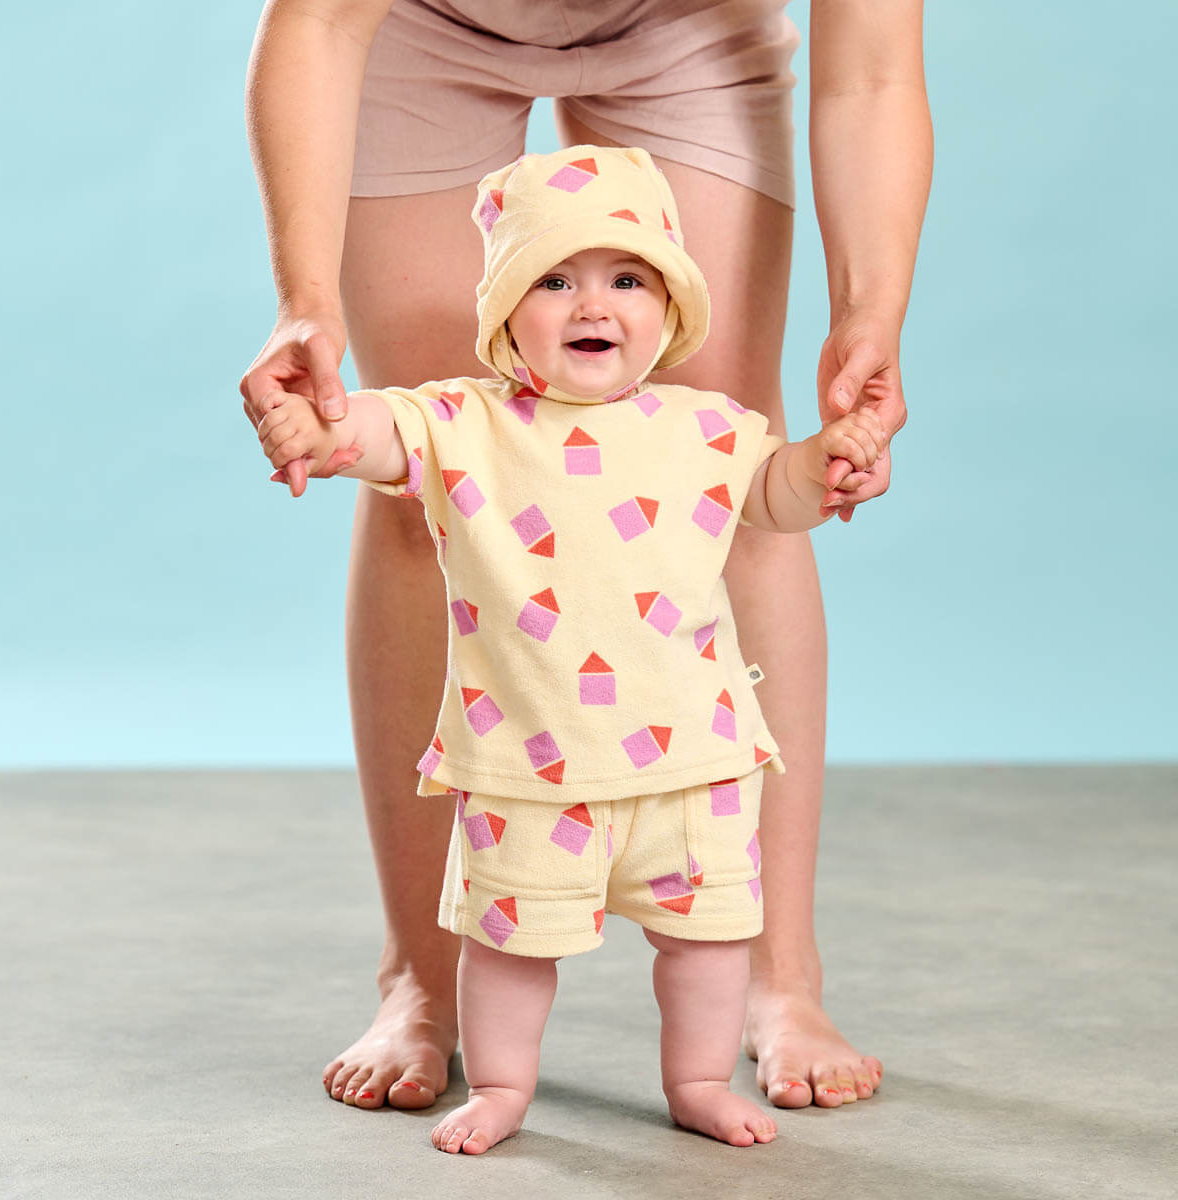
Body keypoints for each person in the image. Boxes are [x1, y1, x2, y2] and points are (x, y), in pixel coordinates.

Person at [240, 0, 931, 1113]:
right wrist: (303, 301)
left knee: (727, 460)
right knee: (436, 465)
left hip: (688, 23)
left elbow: (875, 74)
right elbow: (319, 23)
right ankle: (423, 976)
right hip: (425, 19)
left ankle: (777, 974)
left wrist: (872, 311)